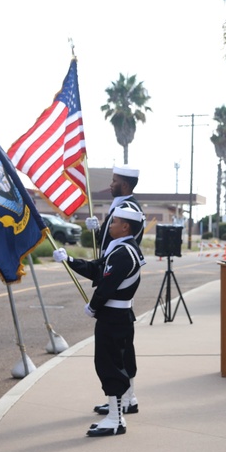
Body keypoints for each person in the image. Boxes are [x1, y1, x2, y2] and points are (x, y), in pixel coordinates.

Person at [56, 203, 146, 437]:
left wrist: (93, 306)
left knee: (110, 366)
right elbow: (98, 269)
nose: (109, 225)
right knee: (115, 363)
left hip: (113, 317)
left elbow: (107, 284)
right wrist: (70, 260)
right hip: (117, 316)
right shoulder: (123, 249)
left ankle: (116, 420)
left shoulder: (124, 253)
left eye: (113, 222)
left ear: (125, 227)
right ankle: (116, 415)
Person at [85, 165, 143, 254]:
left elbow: (122, 240)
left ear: (124, 185)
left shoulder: (128, 208)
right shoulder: (120, 205)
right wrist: (96, 230)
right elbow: (108, 239)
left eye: (114, 181)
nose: (111, 185)